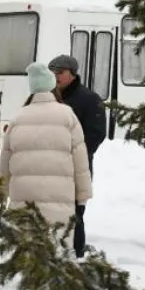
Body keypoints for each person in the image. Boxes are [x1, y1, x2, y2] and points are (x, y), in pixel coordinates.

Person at [0, 62, 92, 233]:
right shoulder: (67, 115)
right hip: (59, 200)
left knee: (24, 250)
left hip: (23, 201)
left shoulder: (18, 117)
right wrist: (82, 195)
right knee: (55, 250)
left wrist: (0, 192)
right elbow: (80, 160)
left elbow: (5, 163)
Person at [47, 55, 107, 256]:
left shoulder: (89, 99)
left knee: (74, 213)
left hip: (76, 168)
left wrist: (73, 153)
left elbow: (96, 134)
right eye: (52, 72)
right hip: (50, 167)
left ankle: (78, 253)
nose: (56, 76)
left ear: (72, 74)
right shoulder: (47, 97)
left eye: (60, 72)